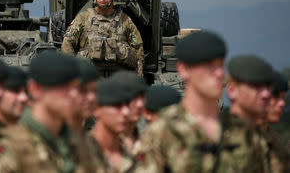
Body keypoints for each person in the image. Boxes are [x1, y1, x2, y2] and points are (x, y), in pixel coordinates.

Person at [136, 31, 262, 172]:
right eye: (209, 66)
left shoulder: (243, 132)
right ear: (183, 70)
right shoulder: (161, 132)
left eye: (221, 66)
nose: (219, 73)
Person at [0, 51, 102, 172]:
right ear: (35, 89)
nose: (74, 94)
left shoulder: (80, 143)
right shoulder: (11, 148)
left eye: (75, 87)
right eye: (63, 86)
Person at [61, 0, 144, 77]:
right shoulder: (83, 18)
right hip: (89, 78)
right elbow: (67, 44)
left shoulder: (125, 20)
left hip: (118, 79)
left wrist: (138, 78)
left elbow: (138, 49)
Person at [226, 57, 288, 173]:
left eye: (268, 90)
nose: (281, 103)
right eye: (275, 96)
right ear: (232, 90)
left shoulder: (277, 145)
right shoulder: (218, 139)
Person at [89, 77, 138, 173]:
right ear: (96, 109)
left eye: (128, 105)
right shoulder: (78, 153)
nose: (126, 112)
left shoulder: (137, 154)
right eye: (116, 105)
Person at [111, 70, 148, 152]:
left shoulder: (149, 142)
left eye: (142, 97)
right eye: (134, 97)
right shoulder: (97, 144)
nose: (140, 104)